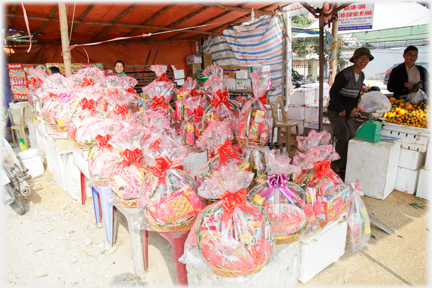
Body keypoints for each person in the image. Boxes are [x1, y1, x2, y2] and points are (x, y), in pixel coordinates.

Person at [327, 47, 374, 176]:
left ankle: (345, 164)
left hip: (347, 113)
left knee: (352, 136)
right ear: (355, 59)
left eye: (367, 58)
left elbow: (357, 93)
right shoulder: (345, 74)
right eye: (361, 58)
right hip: (336, 112)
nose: (364, 60)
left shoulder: (362, 75)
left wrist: (354, 108)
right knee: (343, 136)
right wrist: (341, 109)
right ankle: (336, 165)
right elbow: (333, 92)